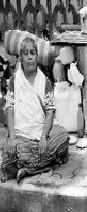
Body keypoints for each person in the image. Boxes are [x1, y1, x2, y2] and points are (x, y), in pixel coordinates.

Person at [1, 37, 69, 183]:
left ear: (37, 57)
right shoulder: (14, 80)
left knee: (62, 136)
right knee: (14, 149)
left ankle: (24, 167)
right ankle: (35, 166)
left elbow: (50, 112)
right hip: (20, 134)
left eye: (33, 52)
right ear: (21, 58)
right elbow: (10, 109)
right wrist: (12, 138)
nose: (30, 56)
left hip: (40, 133)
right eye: (26, 53)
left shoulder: (45, 81)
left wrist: (44, 137)